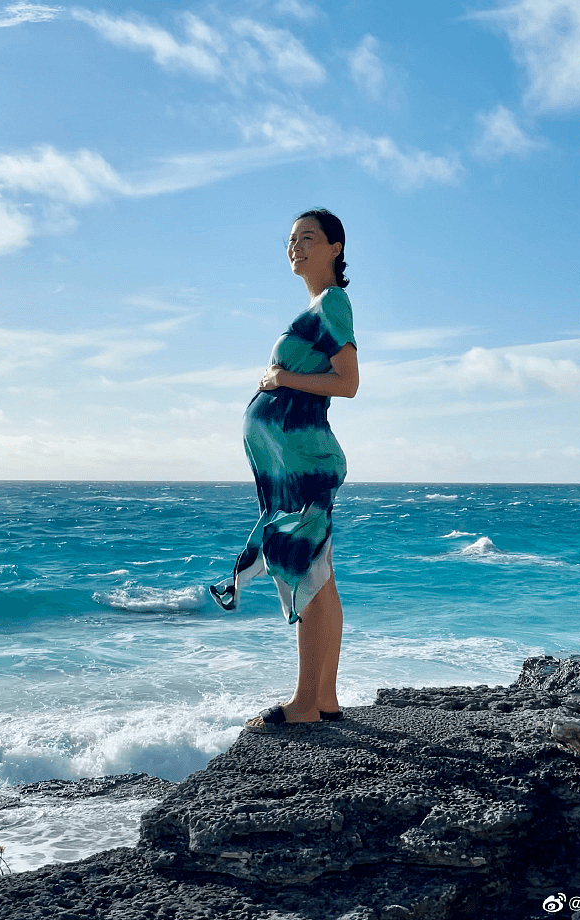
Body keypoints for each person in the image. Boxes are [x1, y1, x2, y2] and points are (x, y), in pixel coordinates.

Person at [210, 208, 358, 733]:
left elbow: (348, 383)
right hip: (300, 465)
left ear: (335, 248)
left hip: (304, 467)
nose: (296, 246)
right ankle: (325, 698)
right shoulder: (322, 307)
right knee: (323, 578)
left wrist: (281, 377)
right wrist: (282, 381)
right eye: (291, 240)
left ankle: (302, 706)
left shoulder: (333, 304)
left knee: (308, 578)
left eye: (309, 238)